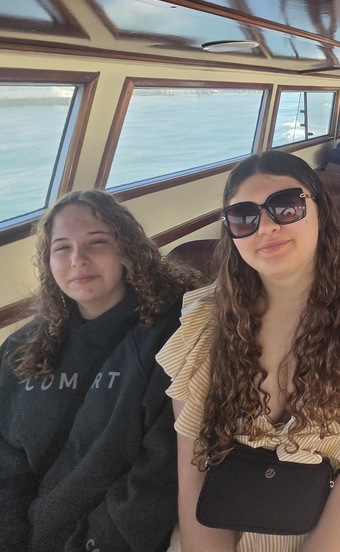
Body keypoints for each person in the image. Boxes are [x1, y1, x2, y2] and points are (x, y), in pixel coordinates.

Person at [158, 151, 340, 551]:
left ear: (320, 210)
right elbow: (194, 462)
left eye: (286, 207)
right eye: (244, 216)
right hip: (242, 506)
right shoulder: (206, 319)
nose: (266, 227)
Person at [0, 190, 201, 552]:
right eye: (62, 247)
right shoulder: (20, 348)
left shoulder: (172, 336)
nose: (78, 259)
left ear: (127, 249)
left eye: (97, 242)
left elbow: (160, 474)